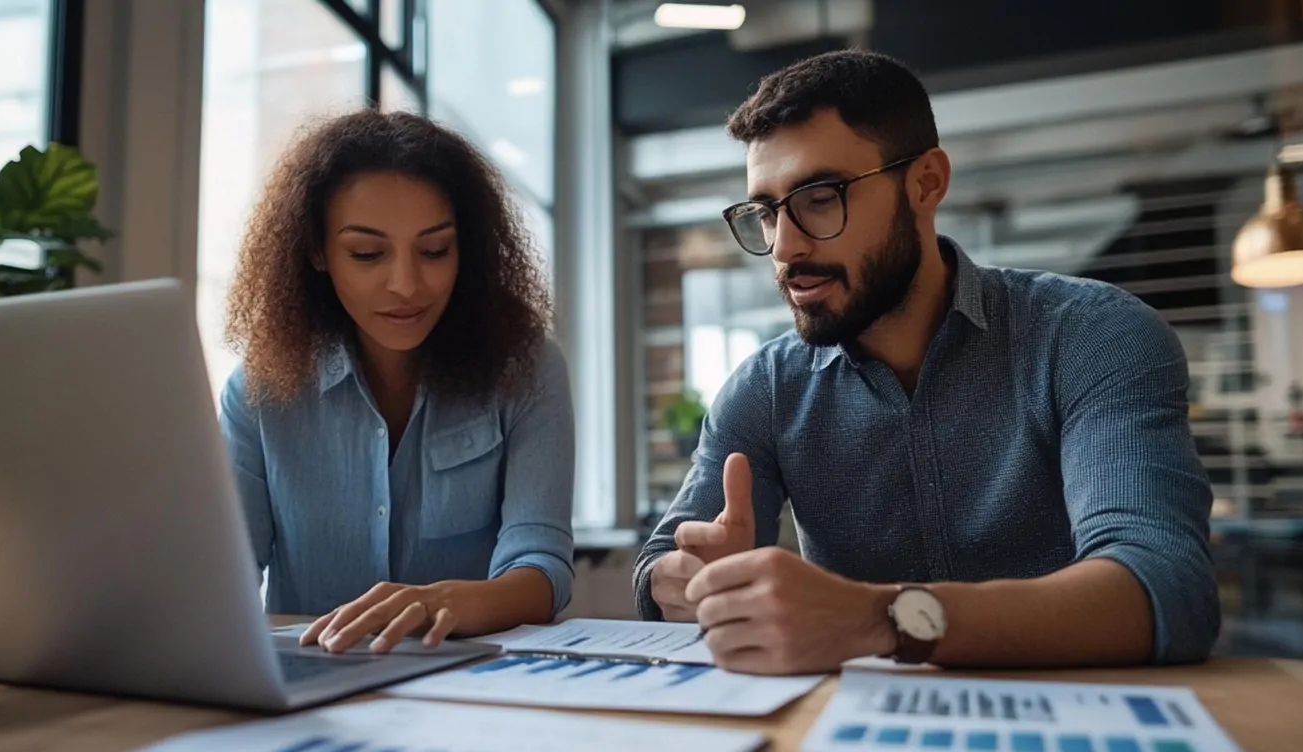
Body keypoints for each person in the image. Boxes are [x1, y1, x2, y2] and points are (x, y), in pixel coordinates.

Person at [632, 49, 1219, 674]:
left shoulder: (1091, 336)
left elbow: (1166, 590)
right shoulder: (765, 388)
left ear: (926, 184)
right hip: (853, 746)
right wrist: (683, 580)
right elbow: (661, 564)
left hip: (1076, 737)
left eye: (820, 198)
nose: (785, 246)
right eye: (766, 212)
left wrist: (877, 620)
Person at [222, 109, 574, 656]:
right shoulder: (260, 391)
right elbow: (223, 580)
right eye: (367, 254)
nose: (407, 284)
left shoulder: (525, 369)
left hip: (473, 684)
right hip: (310, 684)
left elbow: (543, 568)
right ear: (317, 251)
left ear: (467, 250)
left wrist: (441, 604)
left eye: (435, 251)